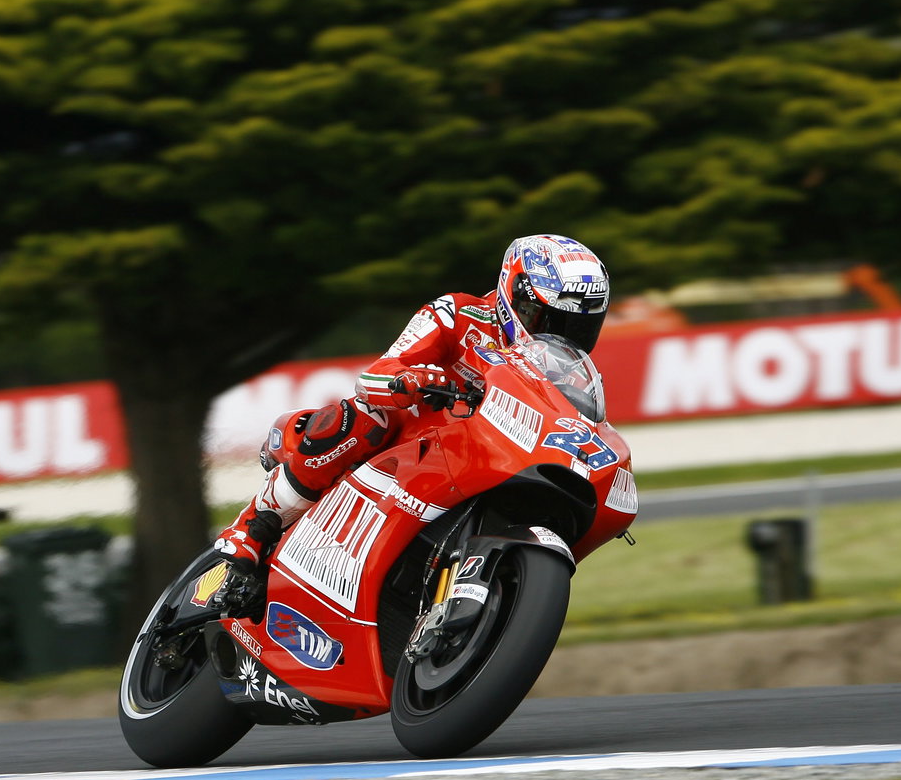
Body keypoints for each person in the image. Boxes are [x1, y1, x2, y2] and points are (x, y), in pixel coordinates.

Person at [210, 234, 611, 618]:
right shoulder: (457, 314)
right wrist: (412, 380)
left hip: (481, 460)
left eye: (578, 327)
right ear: (516, 295)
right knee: (365, 416)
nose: (560, 336)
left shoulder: (568, 373)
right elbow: (376, 375)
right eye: (550, 319)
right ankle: (252, 529)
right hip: (411, 441)